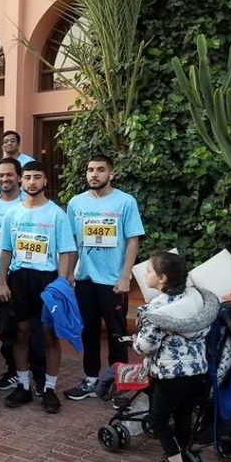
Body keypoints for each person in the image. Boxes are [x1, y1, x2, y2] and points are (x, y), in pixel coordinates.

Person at [0, 161, 76, 414]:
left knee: (49, 336)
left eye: (37, 177)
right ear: (22, 181)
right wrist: (2, 281)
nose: (32, 182)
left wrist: (61, 284)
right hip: (20, 278)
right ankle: (23, 386)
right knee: (20, 333)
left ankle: (49, 388)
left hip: (47, 279)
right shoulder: (13, 214)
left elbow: (66, 251)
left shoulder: (56, 214)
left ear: (45, 181)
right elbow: (6, 249)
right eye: (28, 177)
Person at [64, 154, 145, 402]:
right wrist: (68, 275)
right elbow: (71, 244)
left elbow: (133, 240)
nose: (94, 174)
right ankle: (90, 380)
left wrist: (125, 277)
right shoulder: (75, 204)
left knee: (117, 334)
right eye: (90, 169)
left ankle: (120, 383)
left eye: (100, 170)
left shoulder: (125, 202)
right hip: (85, 281)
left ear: (111, 173)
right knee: (87, 332)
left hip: (113, 282)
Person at [134, 252, 217, 462]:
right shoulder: (194, 300)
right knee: (182, 417)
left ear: (162, 279)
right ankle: (177, 459)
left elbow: (145, 346)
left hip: (171, 375)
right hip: (197, 373)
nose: (145, 274)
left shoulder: (158, 312)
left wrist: (134, 341)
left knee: (158, 420)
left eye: (148, 271)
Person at [0, 158, 46, 393]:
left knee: (35, 327)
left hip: (31, 273)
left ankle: (38, 374)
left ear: (19, 177)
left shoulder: (29, 202)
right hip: (4, 274)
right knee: (6, 327)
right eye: (0, 175)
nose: (4, 179)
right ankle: (14, 371)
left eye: (9, 175)